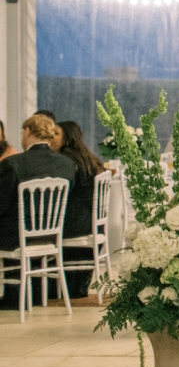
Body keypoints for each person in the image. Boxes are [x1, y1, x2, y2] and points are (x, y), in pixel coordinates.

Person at [0, 114, 76, 305]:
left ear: (27, 132)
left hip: (15, 236)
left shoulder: (13, 163)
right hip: (51, 236)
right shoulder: (66, 164)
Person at [56, 120, 105, 298]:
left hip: (75, 223)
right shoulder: (90, 159)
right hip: (94, 223)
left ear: (67, 138)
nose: (51, 138)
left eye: (56, 134)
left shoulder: (66, 161)